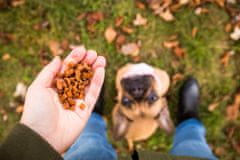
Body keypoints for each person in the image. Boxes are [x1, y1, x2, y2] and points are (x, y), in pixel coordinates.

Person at [0, 47, 217, 160]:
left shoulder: (132, 96)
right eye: (126, 100)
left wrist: (38, 137)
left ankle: (93, 114)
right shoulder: (159, 85)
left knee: (88, 143)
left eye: (151, 97)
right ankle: (189, 119)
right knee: (194, 147)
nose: (137, 92)